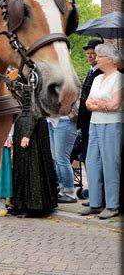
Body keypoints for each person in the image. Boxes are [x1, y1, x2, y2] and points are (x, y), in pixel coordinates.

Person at [80, 43, 122, 220]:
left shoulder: (119, 78)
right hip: (95, 123)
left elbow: (115, 105)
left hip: (113, 124)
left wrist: (97, 105)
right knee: (92, 162)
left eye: (99, 56)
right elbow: (87, 103)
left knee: (110, 163)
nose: (96, 59)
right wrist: (100, 105)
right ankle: (95, 203)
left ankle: (112, 205)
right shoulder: (97, 79)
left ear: (110, 60)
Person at [10, 88, 59, 218]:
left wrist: (27, 133)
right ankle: (21, 204)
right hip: (22, 124)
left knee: (32, 166)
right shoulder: (20, 81)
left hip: (32, 129)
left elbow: (35, 110)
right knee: (21, 166)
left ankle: (34, 206)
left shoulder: (32, 83)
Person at [47, 101, 79, 204]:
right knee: (56, 158)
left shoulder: (68, 84)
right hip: (52, 121)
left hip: (65, 120)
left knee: (62, 159)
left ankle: (70, 192)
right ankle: (62, 190)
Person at [76, 39, 104, 160]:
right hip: (85, 121)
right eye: (88, 53)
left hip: (94, 118)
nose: (89, 56)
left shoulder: (101, 73)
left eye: (92, 53)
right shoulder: (90, 72)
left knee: (93, 155)